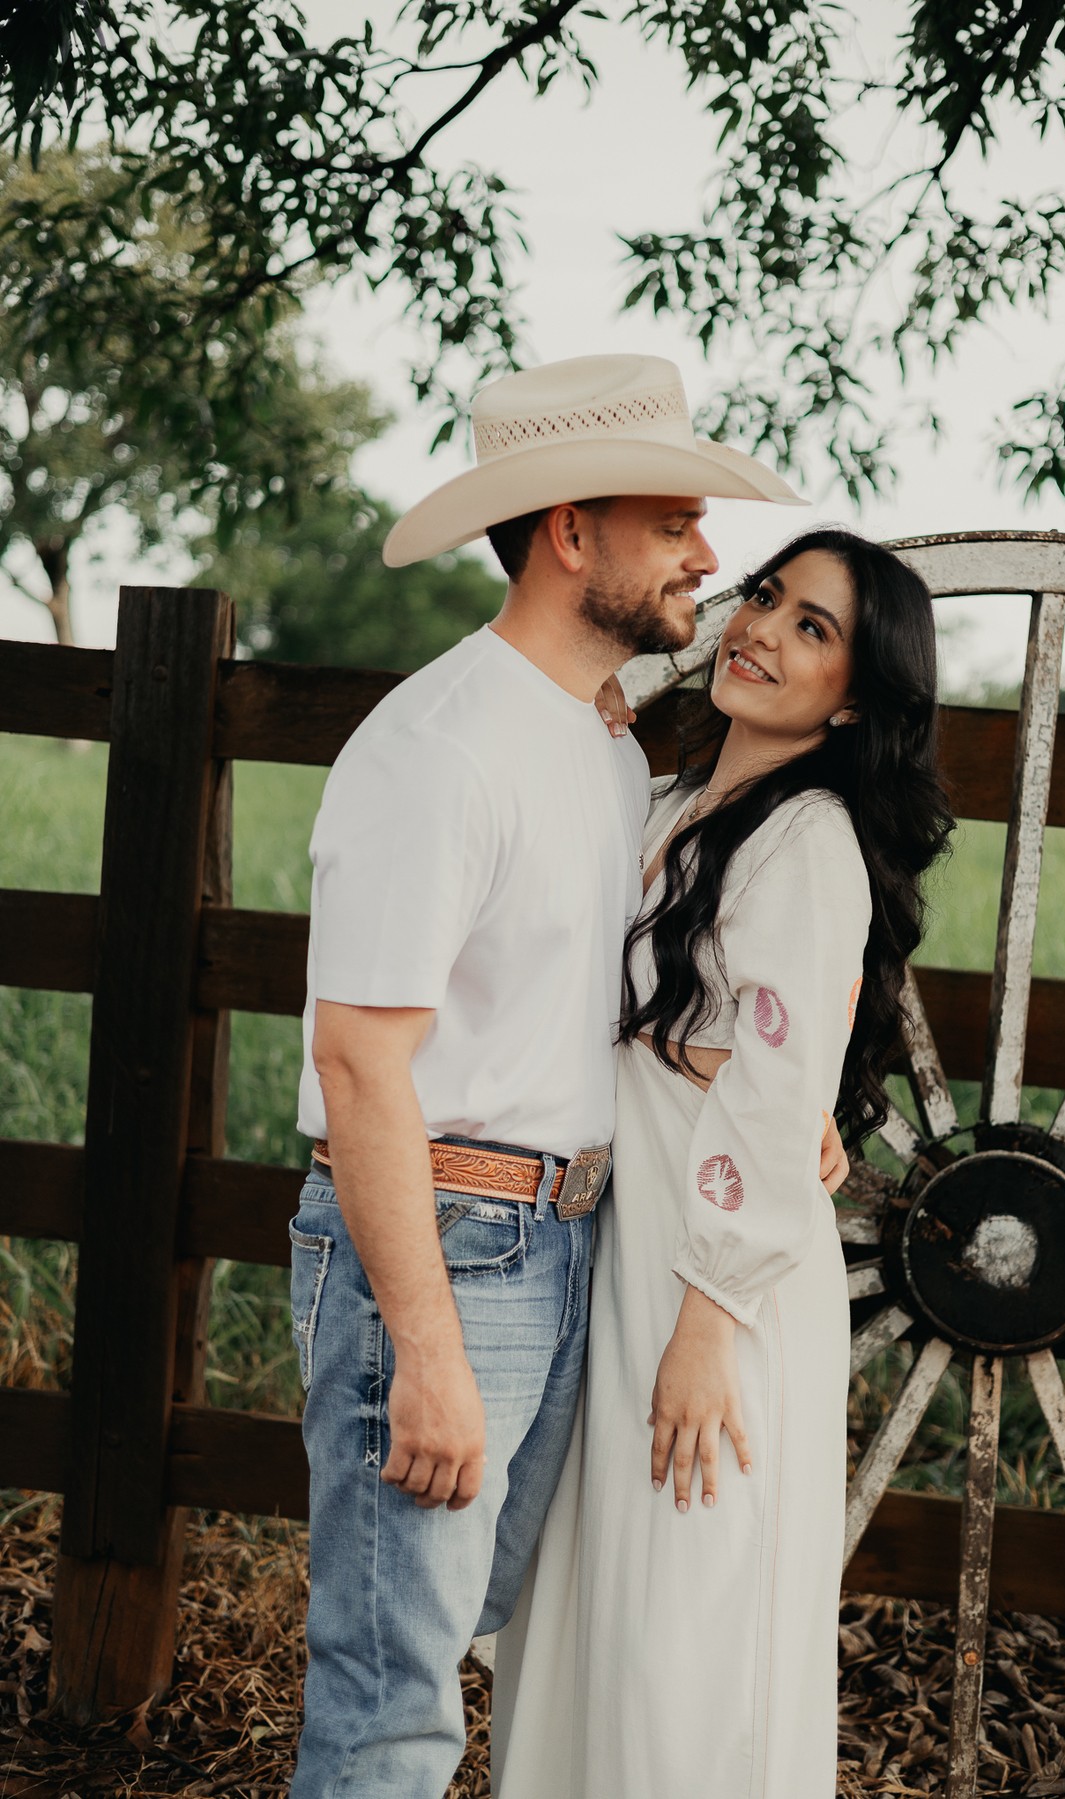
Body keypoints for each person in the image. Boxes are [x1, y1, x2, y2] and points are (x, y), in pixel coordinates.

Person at [285, 353, 811, 1797]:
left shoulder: (601, 741)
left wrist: (775, 1105)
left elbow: (589, 1002)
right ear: (571, 532)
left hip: (566, 1237)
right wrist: (427, 1349)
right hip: (449, 1245)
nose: (705, 554)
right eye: (673, 523)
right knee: (391, 1704)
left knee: (469, 1633)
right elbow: (359, 1060)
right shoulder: (438, 750)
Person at [493, 528, 954, 1798]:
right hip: (625, 1244)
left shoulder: (809, 838)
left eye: (814, 627)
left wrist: (708, 1322)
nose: (760, 629)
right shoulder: (664, 803)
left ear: (853, 697)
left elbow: (774, 1090)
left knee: (686, 1631)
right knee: (592, 1600)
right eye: (765, 596)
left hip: (720, 1282)